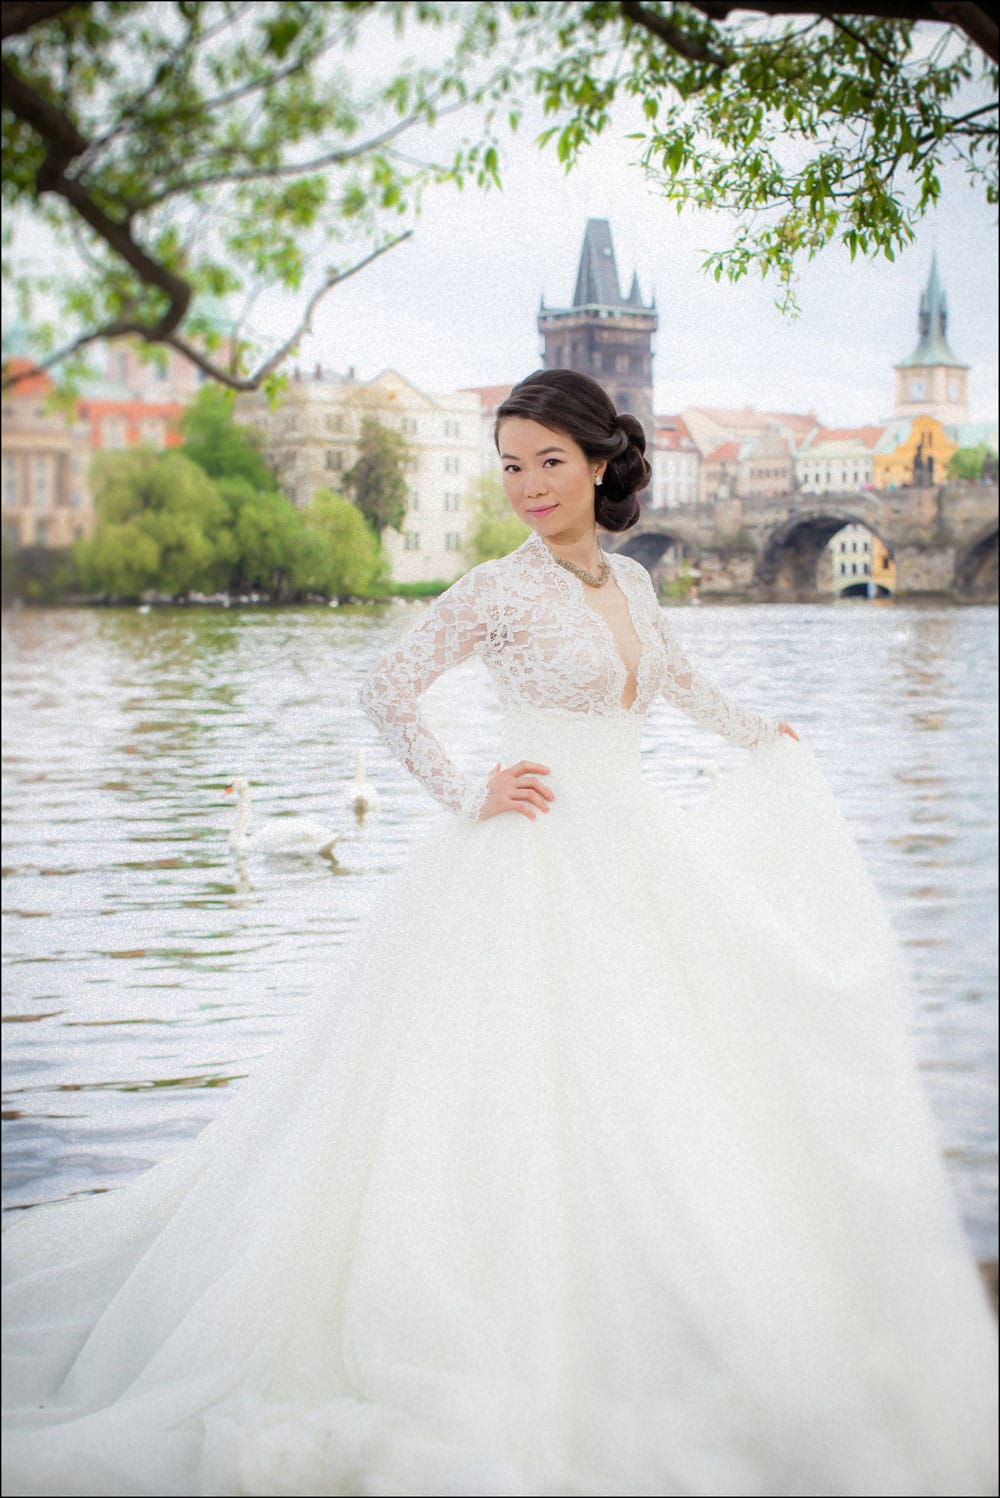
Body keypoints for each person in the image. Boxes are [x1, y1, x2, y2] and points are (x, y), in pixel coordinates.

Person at [2, 368, 997, 1497]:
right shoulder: (494, 588)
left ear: (600, 465)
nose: (526, 486)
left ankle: (642, 1314)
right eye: (510, 466)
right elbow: (386, 687)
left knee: (653, 1084)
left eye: (548, 463)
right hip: (523, 861)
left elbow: (673, 684)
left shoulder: (631, 581)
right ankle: (493, 1332)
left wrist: (763, 734)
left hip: (632, 857)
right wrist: (466, 787)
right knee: (510, 1096)